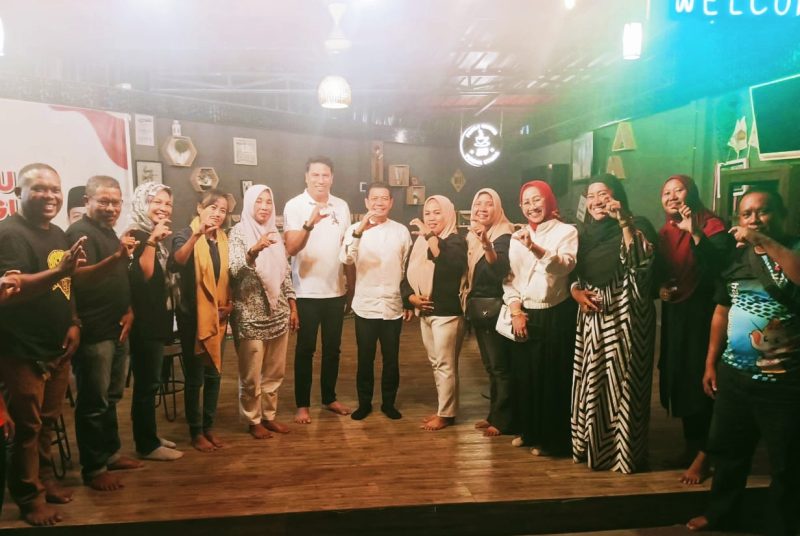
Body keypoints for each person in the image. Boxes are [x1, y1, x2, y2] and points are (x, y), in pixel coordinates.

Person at [687, 188, 800, 536]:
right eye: (747, 214)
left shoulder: (794, 250)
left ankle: (783, 524)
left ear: (781, 215)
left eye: (763, 212)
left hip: (784, 381)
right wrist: (711, 363)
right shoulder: (736, 258)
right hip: (734, 375)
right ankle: (721, 514)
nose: (754, 219)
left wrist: (762, 241)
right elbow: (721, 311)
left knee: (787, 462)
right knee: (728, 453)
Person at [0, 163, 86, 526]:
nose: (49, 196)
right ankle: (29, 498)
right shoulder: (9, 234)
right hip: (21, 350)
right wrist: (59, 272)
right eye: (39, 188)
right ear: (18, 193)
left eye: (55, 189)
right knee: (27, 429)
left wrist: (74, 321)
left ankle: (45, 479)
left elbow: (66, 283)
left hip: (57, 346)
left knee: (48, 421)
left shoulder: (58, 233)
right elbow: (11, 291)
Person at [570, 174, 658, 474]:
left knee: (623, 382)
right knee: (592, 381)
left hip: (625, 316)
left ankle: (622, 455)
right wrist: (576, 291)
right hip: (592, 317)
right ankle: (592, 449)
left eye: (603, 194)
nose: (596, 201)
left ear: (617, 196)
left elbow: (638, 262)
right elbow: (573, 272)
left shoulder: (637, 224)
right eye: (591, 195)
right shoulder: (583, 232)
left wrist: (623, 222)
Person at [66, 176, 142, 491]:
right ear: (88, 201)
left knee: (111, 397)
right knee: (93, 402)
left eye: (115, 202)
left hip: (117, 327)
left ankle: (110, 454)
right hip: (94, 331)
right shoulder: (79, 233)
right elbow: (77, 278)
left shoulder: (109, 232)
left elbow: (118, 277)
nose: (111, 208)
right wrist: (116, 258)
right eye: (104, 201)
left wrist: (129, 310)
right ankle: (94, 468)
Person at [656, 174, 730, 484]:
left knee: (703, 380)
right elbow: (660, 271)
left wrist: (695, 233)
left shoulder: (712, 225)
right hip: (676, 313)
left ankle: (706, 454)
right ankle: (692, 446)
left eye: (679, 190)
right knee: (681, 377)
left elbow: (720, 267)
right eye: (666, 192)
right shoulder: (665, 232)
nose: (672, 196)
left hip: (705, 314)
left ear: (693, 193)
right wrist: (661, 287)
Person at [505, 181, 578, 456]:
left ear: (549, 200)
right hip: (525, 313)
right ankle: (530, 431)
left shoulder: (566, 231)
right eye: (526, 202)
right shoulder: (516, 236)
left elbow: (564, 267)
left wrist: (534, 247)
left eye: (537, 200)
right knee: (525, 376)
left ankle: (553, 440)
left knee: (552, 379)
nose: (532, 206)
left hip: (555, 313)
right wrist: (515, 311)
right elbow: (510, 280)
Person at [283, 156, 353, 424]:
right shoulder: (295, 205)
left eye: (325, 175)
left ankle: (329, 398)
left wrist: (350, 287)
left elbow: (348, 249)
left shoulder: (342, 206)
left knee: (333, 349)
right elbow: (291, 248)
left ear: (332, 178)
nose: (320, 180)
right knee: (305, 350)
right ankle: (302, 404)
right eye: (315, 175)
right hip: (305, 292)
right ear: (306, 177)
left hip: (335, 290)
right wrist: (309, 223)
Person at [229, 184, 298, 439]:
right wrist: (254, 251)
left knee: (274, 372)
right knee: (251, 374)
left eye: (268, 201)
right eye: (259, 201)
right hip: (250, 314)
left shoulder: (274, 233)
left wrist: (292, 306)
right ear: (249, 204)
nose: (264, 207)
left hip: (278, 313)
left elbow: (285, 273)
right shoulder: (238, 232)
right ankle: (252, 419)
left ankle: (269, 416)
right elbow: (234, 271)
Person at [340, 182, 412, 420]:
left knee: (391, 359)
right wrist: (360, 229)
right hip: (365, 305)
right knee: (365, 358)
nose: (379, 203)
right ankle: (364, 403)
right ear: (366, 202)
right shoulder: (355, 229)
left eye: (384, 198)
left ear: (391, 202)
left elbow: (406, 268)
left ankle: (389, 403)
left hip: (393, 304)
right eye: (374, 198)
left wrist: (407, 301)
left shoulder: (401, 231)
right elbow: (347, 259)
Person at [170, 189, 232, 451]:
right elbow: (176, 263)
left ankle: (209, 427)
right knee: (195, 377)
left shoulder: (223, 239)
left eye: (222, 210)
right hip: (192, 318)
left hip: (219, 317)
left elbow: (227, 276)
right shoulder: (184, 234)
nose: (217, 214)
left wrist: (229, 304)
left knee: (214, 374)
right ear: (199, 208)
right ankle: (195, 431)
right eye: (212, 208)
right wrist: (197, 235)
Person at [402, 195, 467, 431]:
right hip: (426, 313)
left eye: (437, 213)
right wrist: (411, 298)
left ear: (448, 214)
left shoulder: (455, 241)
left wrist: (430, 236)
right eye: (427, 213)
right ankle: (444, 409)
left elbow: (449, 264)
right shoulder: (420, 243)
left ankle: (447, 414)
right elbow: (406, 274)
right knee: (435, 363)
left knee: (445, 364)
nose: (431, 218)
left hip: (447, 313)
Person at [128, 183, 183, 462]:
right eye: (157, 202)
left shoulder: (154, 237)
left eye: (167, 203)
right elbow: (144, 275)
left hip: (158, 320)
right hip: (144, 323)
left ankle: (150, 435)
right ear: (143, 203)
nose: (163, 208)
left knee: (152, 383)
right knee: (146, 384)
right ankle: (146, 445)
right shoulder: (136, 235)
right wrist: (151, 240)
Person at [463, 188, 514, 437]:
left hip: (497, 308)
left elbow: (499, 268)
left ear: (498, 207)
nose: (482, 208)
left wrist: (486, 244)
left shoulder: (504, 235)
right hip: (480, 308)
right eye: (478, 203)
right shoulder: (474, 235)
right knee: (491, 366)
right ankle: (494, 413)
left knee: (500, 367)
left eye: (488, 203)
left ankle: (504, 419)